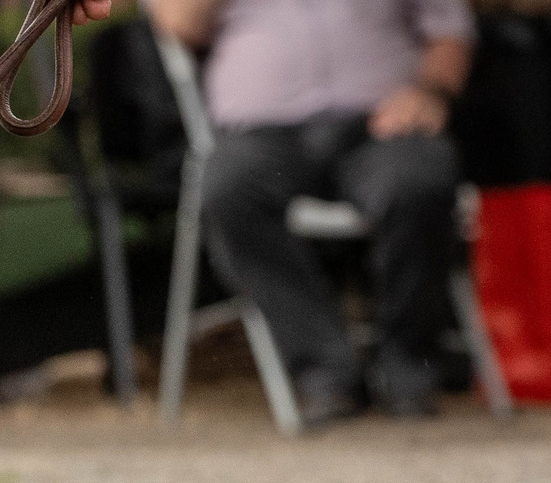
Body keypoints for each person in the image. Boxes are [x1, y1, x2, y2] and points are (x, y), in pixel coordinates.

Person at [149, 0, 475, 424]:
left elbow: (450, 31)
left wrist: (429, 92)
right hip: (260, 131)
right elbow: (178, 23)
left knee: (419, 181)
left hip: (381, 124)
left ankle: (407, 368)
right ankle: (324, 370)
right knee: (226, 190)